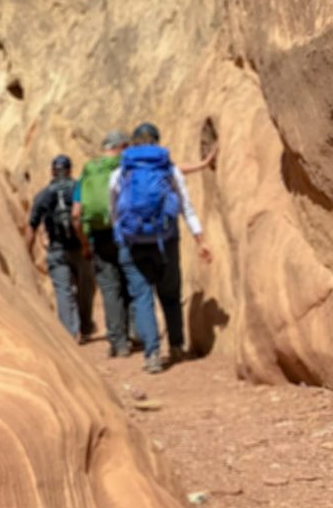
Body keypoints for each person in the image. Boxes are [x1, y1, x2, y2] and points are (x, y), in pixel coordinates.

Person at [111, 122, 214, 374]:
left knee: (142, 298)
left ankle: (152, 355)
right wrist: (200, 240)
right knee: (170, 295)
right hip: (166, 240)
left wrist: (120, 238)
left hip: (133, 242)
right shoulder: (168, 169)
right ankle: (177, 346)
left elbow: (114, 210)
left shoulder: (121, 172)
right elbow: (185, 207)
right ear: (157, 142)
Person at [74, 129, 132, 357]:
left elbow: (76, 214)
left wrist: (85, 243)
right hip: (124, 233)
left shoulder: (88, 172)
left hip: (98, 235)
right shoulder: (124, 167)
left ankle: (117, 343)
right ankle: (132, 334)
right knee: (128, 282)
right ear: (121, 148)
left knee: (109, 289)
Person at [28, 154, 89, 341]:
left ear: (53, 172)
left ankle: (70, 334)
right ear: (70, 170)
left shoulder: (43, 195)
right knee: (85, 287)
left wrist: (26, 253)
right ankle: (85, 328)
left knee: (63, 291)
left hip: (56, 248)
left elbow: (32, 225)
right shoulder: (79, 189)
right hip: (80, 247)